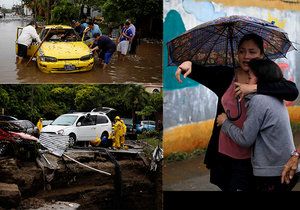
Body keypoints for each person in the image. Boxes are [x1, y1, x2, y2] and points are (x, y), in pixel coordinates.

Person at [175, 33, 299, 191]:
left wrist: (253, 88)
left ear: (261, 54)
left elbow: (292, 91)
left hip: (251, 157)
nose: (246, 56)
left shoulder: (264, 76)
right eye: (241, 51)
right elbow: (202, 72)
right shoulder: (226, 75)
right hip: (224, 151)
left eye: (252, 52)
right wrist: (189, 64)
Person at [216, 59, 299, 191]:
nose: (246, 82)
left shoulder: (259, 100)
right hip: (282, 167)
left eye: (249, 78)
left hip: (273, 173)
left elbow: (245, 140)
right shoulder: (274, 96)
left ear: (260, 80)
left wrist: (225, 123)